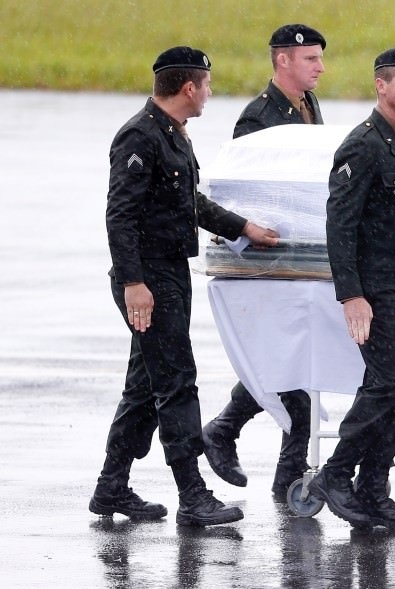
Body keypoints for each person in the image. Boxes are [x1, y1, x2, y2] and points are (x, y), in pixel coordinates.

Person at [90, 47, 279, 527]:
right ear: (190, 87)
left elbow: (188, 201)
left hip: (169, 273)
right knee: (175, 382)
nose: (210, 95)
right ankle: (192, 494)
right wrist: (134, 282)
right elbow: (120, 216)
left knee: (144, 385)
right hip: (149, 278)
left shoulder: (172, 133)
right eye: (207, 86)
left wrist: (242, 227)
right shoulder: (141, 135)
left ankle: (111, 487)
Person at [302, 48, 395, 532]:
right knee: (387, 381)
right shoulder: (364, 144)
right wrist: (351, 294)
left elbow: (386, 208)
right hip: (375, 287)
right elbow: (339, 224)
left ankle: (373, 491)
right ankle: (336, 474)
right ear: (381, 86)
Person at [202, 24, 326, 502]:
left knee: (292, 361)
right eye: (310, 59)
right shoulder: (258, 118)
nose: (319, 67)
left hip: (296, 253)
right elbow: (249, 189)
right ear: (283, 61)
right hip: (265, 257)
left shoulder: (307, 108)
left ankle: (245, 445)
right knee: (290, 364)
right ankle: (245, 445)